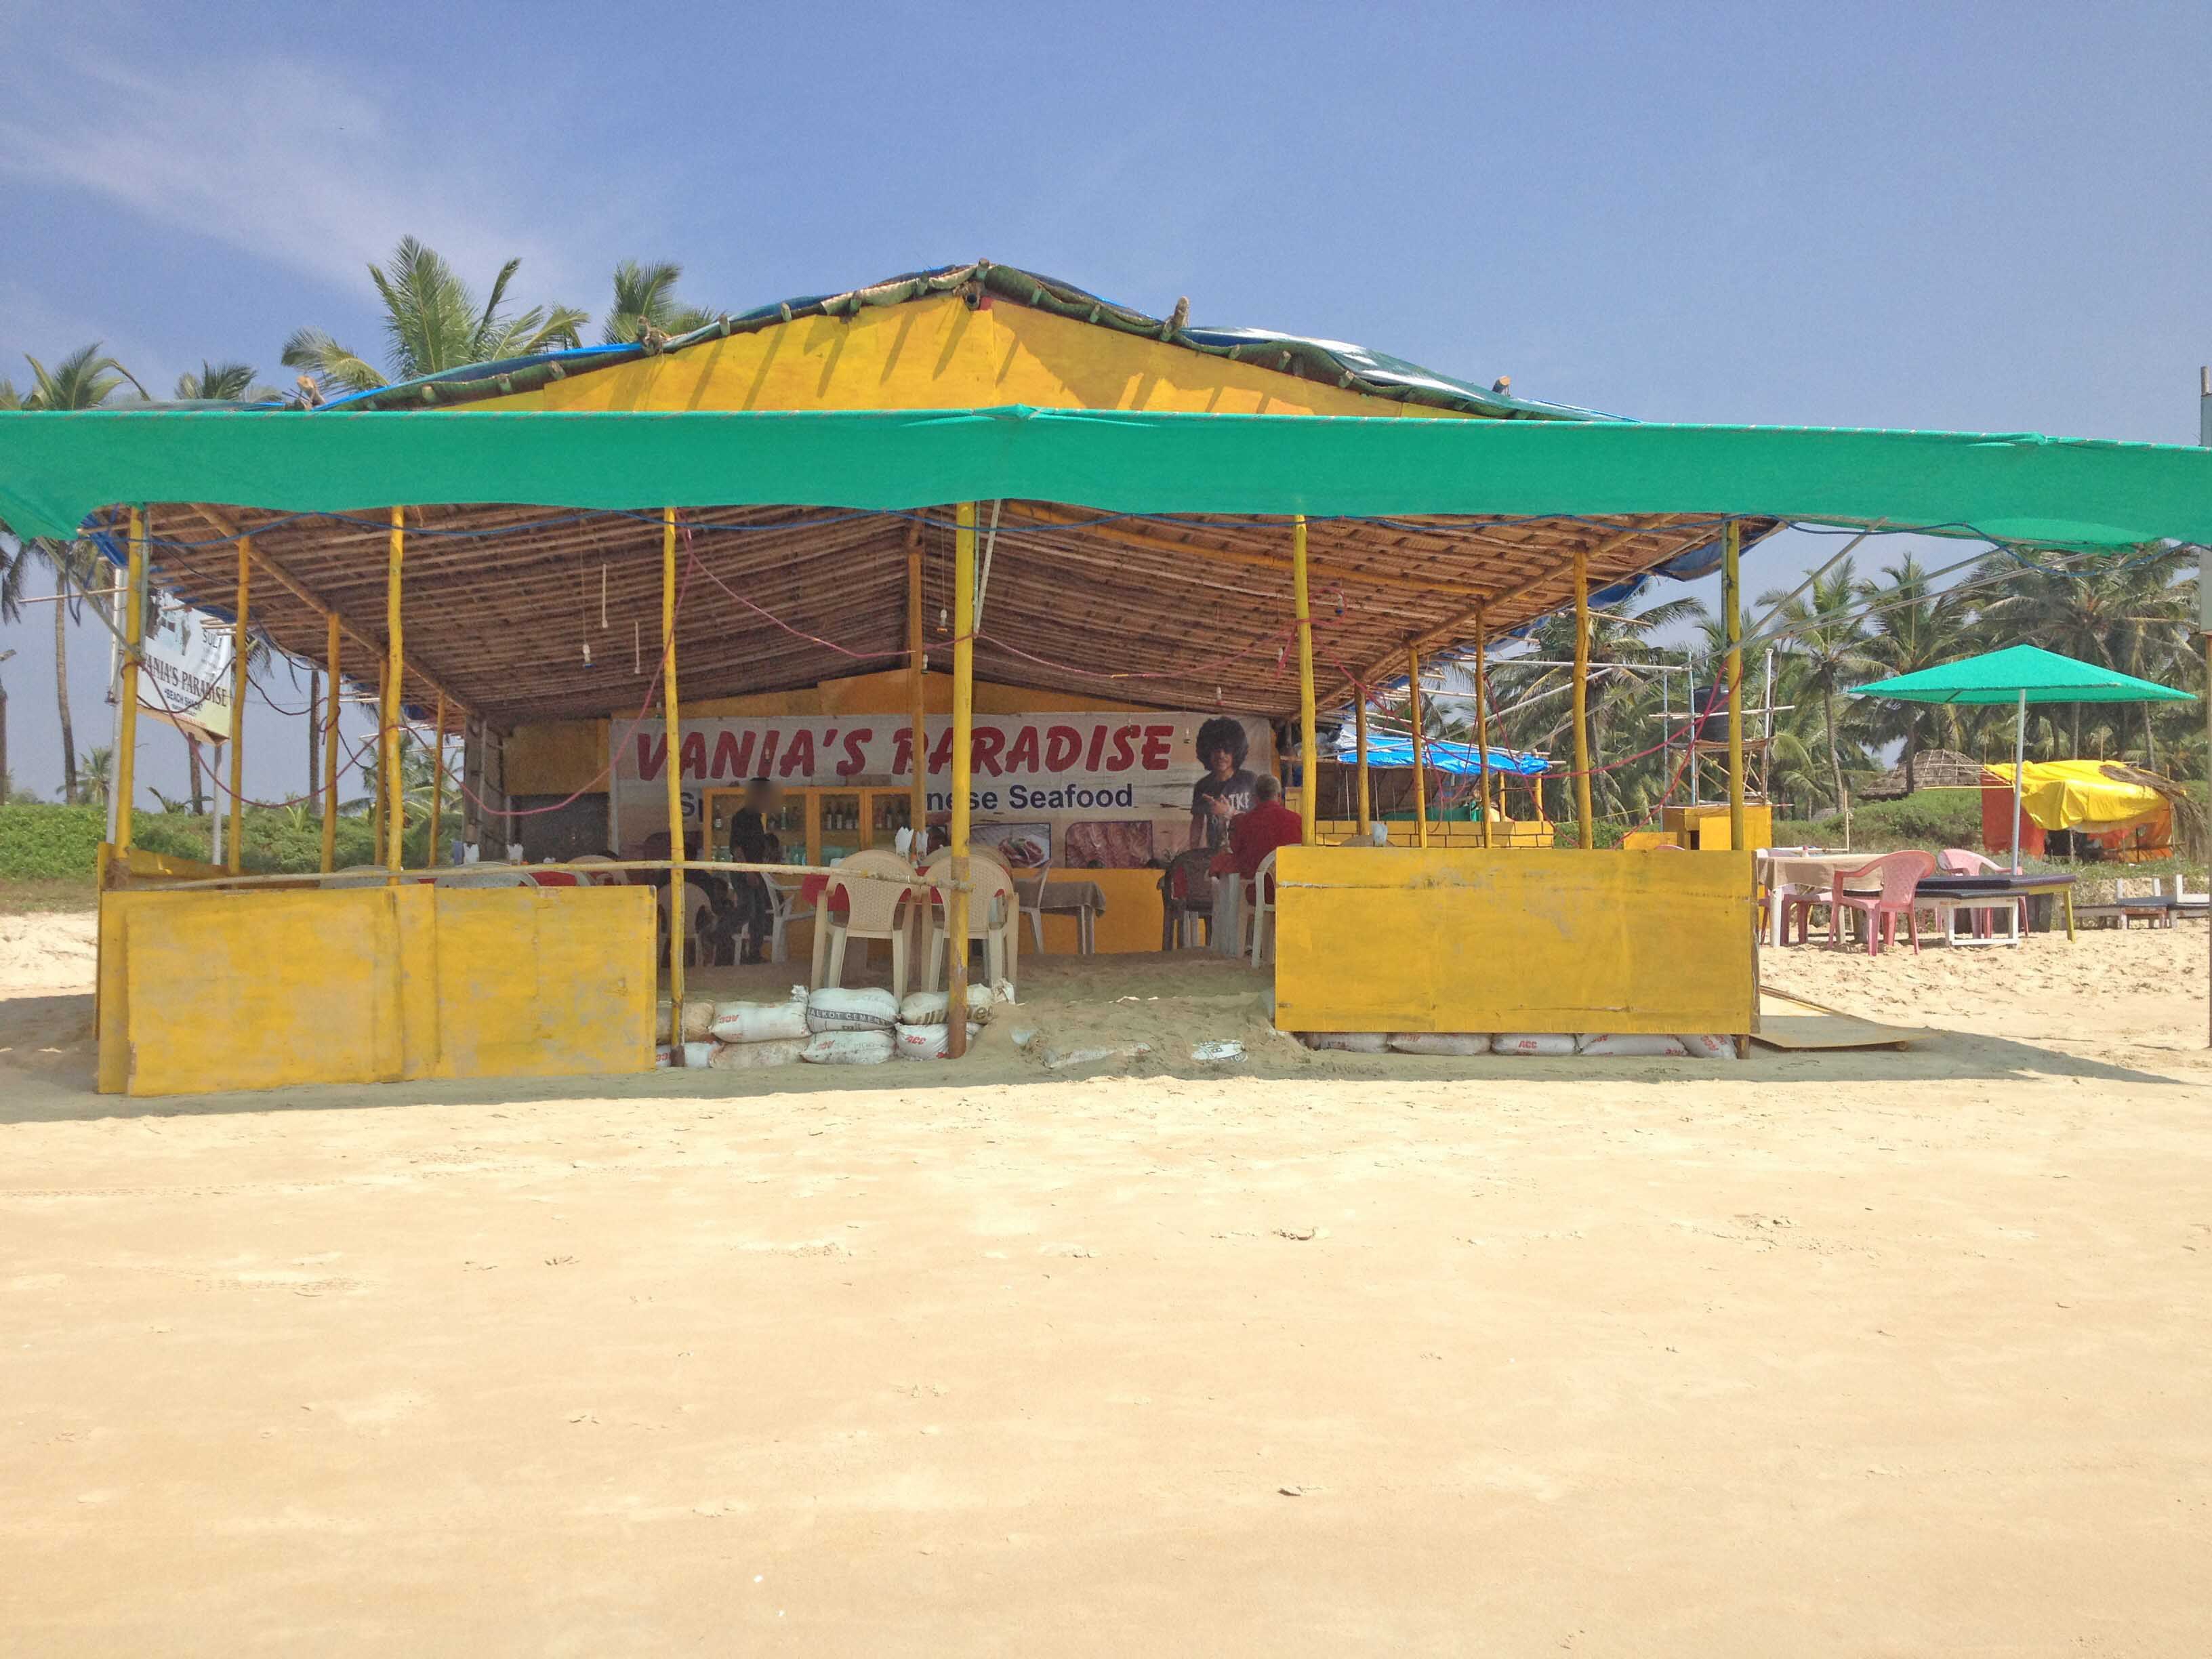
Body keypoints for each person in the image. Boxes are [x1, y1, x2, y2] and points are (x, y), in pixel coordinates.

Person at [1206, 774, 1303, 956]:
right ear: (1279, 796)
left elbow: (1235, 851)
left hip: (1258, 893)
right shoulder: (1298, 821)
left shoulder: (1246, 822)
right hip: (1292, 891)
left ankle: (1238, 949)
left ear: (1255, 798)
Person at [1187, 716, 1258, 854]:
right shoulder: (1203, 786)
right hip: (1216, 854)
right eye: (1216, 750)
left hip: (1248, 850)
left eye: (1227, 750)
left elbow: (1260, 819)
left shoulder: (1250, 780)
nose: (1221, 755)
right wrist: (1193, 851)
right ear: (1207, 752)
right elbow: (1197, 822)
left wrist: (1228, 811)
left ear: (1236, 752)